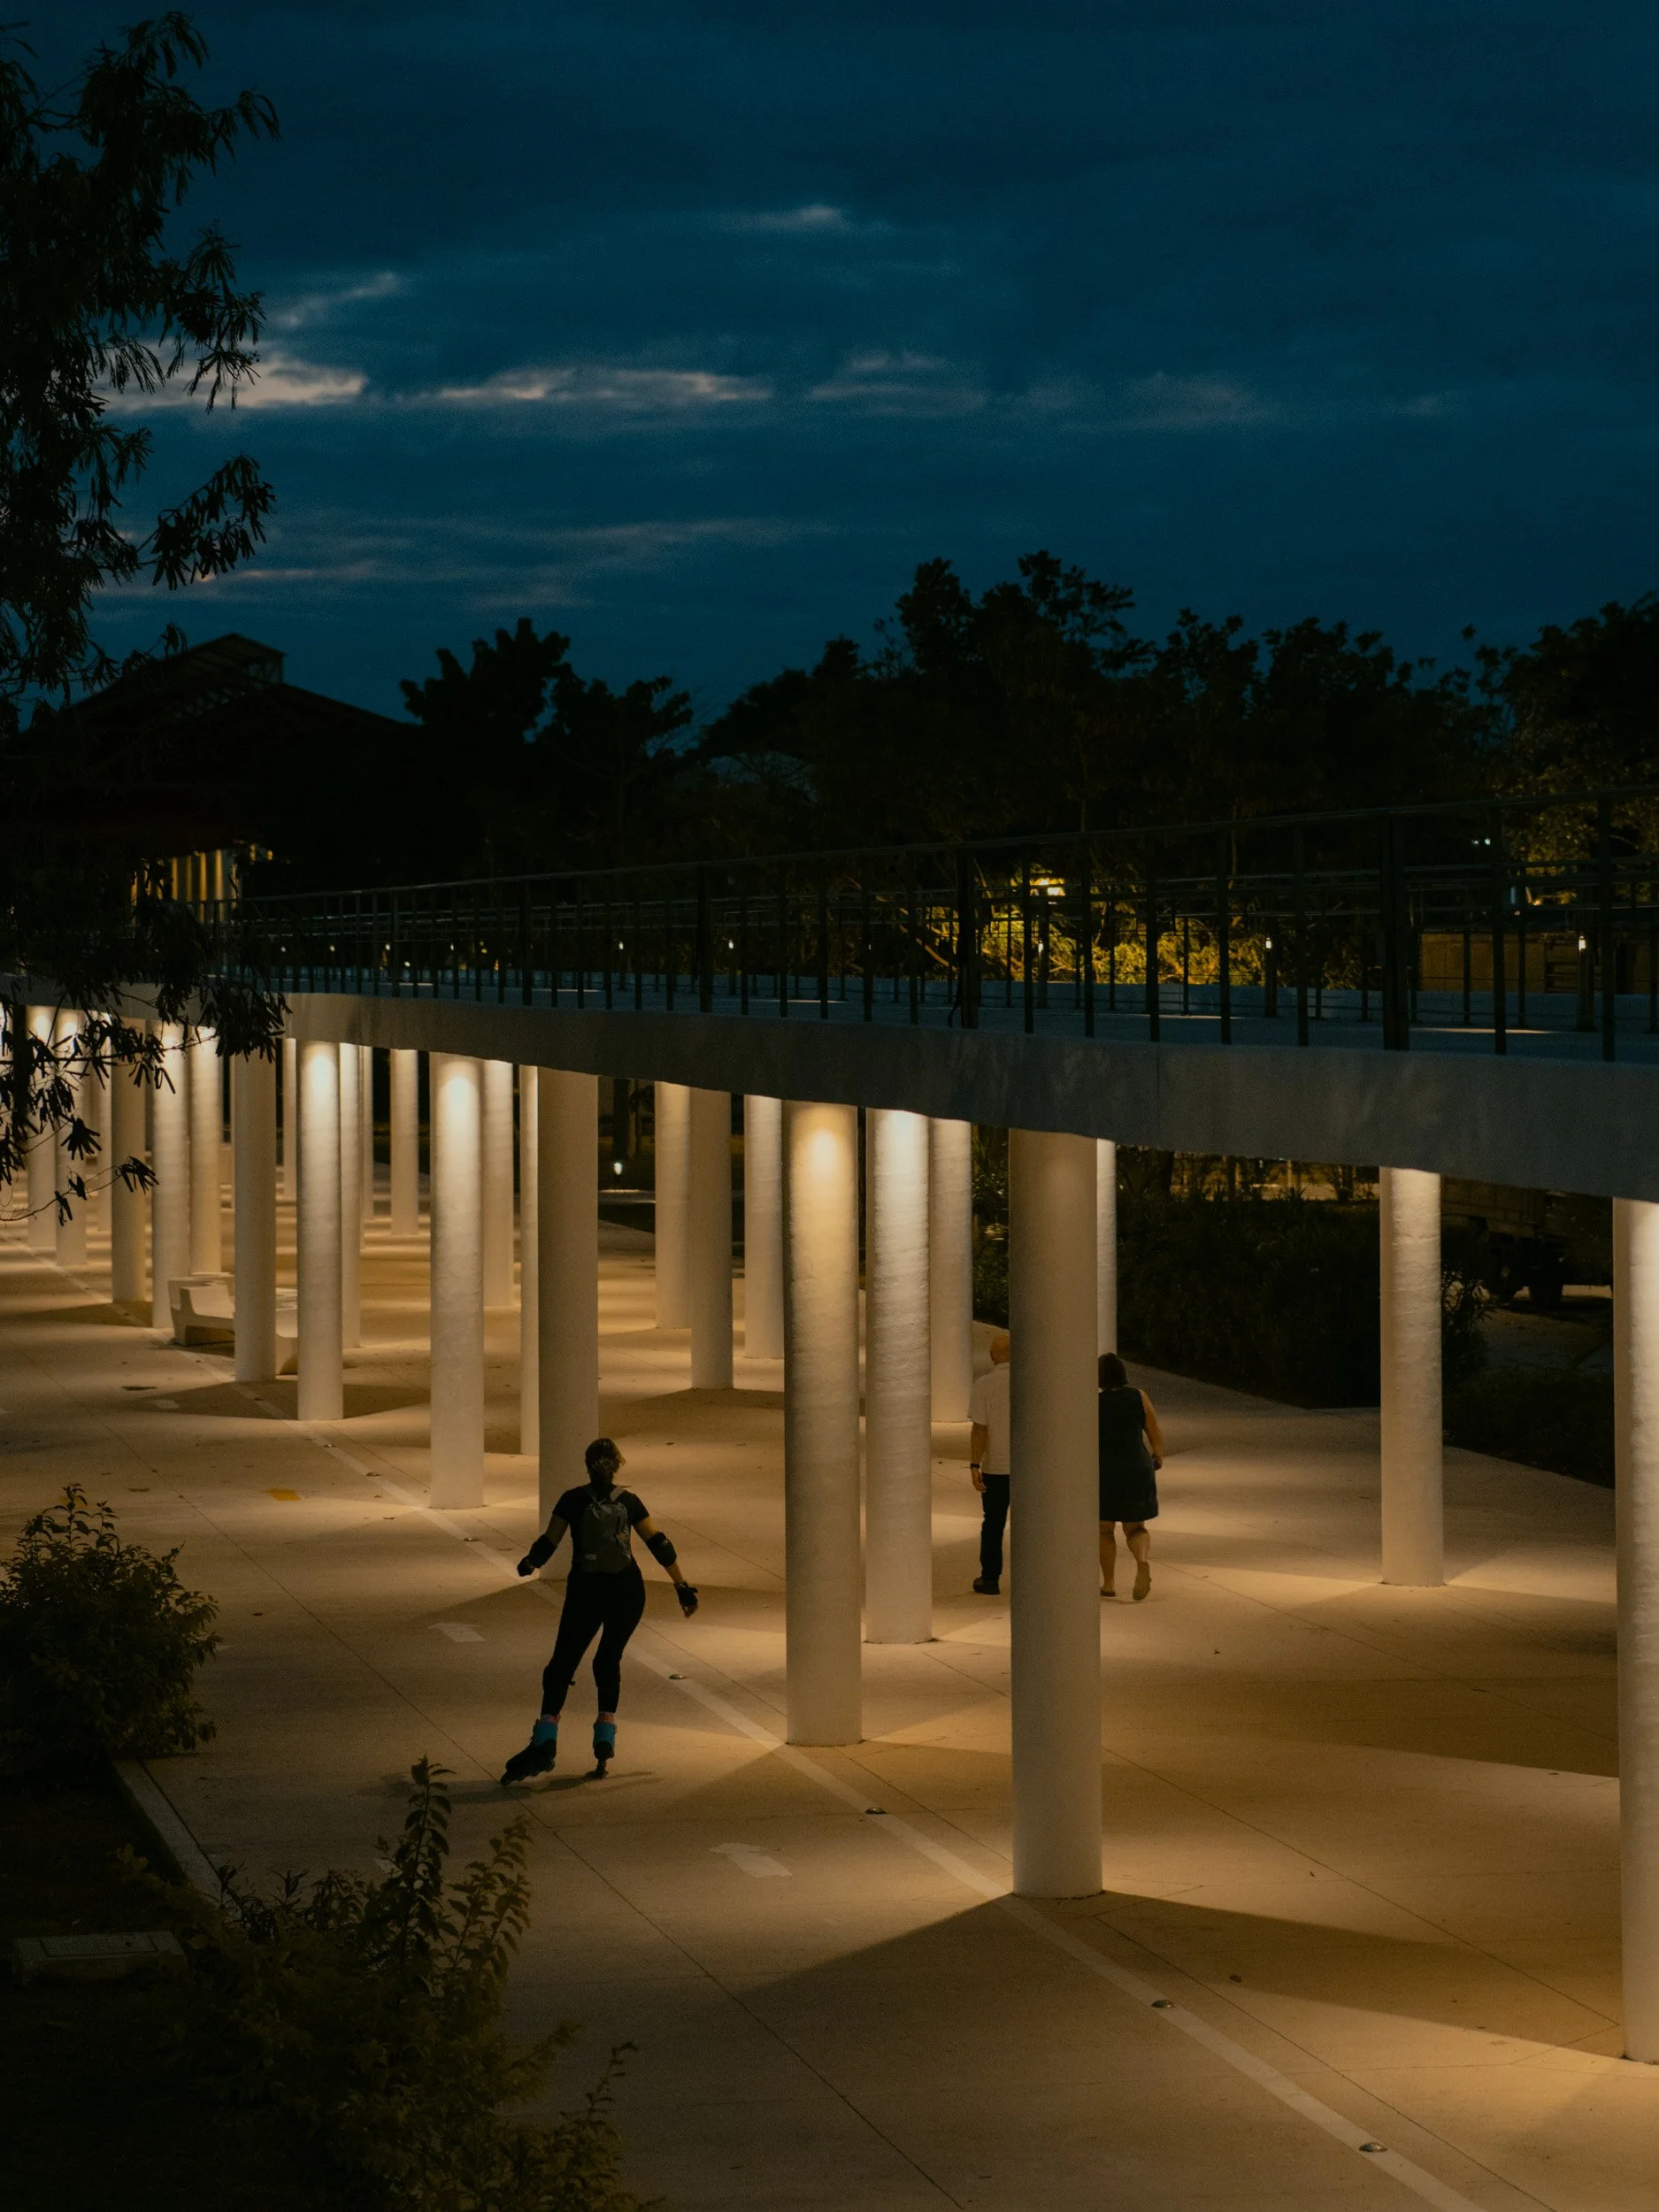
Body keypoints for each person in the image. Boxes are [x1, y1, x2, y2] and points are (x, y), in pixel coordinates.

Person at [501, 1436, 697, 1784]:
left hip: (586, 1592)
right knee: (607, 1660)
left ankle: (545, 1740)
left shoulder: (572, 1500)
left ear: (587, 1465)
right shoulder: (631, 1501)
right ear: (618, 1465)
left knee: (562, 1664)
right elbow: (659, 1544)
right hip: (628, 1592)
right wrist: (682, 1586)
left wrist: (530, 1562)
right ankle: (604, 1738)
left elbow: (549, 1541)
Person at [1097, 1352, 1164, 1601]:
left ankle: (1109, 1583)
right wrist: (1157, 1455)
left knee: (1104, 1528)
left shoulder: (1094, 1402)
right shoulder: (1139, 1396)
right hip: (1137, 1465)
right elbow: (1154, 1431)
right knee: (1136, 1527)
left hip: (1106, 1469)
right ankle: (1142, 1561)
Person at [968, 1331, 1011, 1594]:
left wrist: (975, 1464)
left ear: (992, 1357)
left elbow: (980, 1429)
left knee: (993, 1524)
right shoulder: (1030, 1381)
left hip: (996, 1467)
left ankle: (990, 1578)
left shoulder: (984, 1384)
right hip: (1028, 1468)